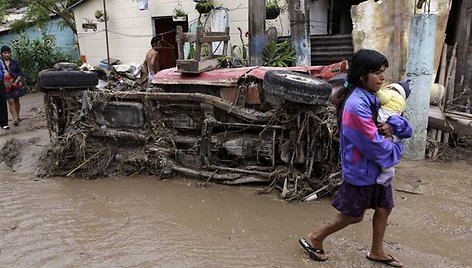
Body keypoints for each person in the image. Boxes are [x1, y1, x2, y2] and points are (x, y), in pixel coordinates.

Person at [299, 49, 412, 267]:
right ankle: (316, 237)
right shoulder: (356, 105)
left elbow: (388, 124)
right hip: (362, 169)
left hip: (376, 168)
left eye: (383, 72)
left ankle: (377, 251)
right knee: (353, 215)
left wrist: (391, 127)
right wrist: (396, 150)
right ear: (362, 76)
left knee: (384, 208)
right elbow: (372, 143)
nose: (382, 77)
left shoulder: (371, 96)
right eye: (377, 73)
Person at [376, 80, 411, 186]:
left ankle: (387, 171)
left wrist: (378, 91)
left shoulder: (390, 94)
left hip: (384, 130)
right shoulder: (400, 106)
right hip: (390, 139)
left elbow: (407, 130)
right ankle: (387, 171)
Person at [1, 45, 25, 126]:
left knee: (16, 100)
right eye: (5, 53)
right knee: (10, 101)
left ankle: (18, 116)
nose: (7, 54)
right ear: (1, 54)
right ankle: (15, 119)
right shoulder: (0, 63)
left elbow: (20, 73)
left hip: (16, 83)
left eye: (8, 53)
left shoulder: (14, 62)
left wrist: (16, 81)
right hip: (5, 85)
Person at [0, 49, 8, 130]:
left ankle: (4, 123)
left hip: (0, 83)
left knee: (2, 102)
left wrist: (5, 73)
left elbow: (4, 70)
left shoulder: (0, 61)